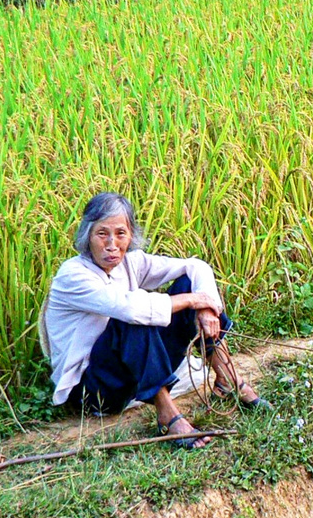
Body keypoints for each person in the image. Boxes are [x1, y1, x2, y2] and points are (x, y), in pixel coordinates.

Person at [42, 192, 267, 449]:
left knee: (188, 284)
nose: (112, 244)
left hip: (128, 370)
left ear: (131, 236)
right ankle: (167, 415)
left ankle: (228, 380)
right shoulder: (72, 275)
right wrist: (194, 300)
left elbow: (197, 267)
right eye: (102, 234)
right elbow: (131, 309)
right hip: (94, 389)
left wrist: (204, 308)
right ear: (87, 236)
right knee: (134, 317)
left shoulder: (131, 263)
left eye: (120, 234)